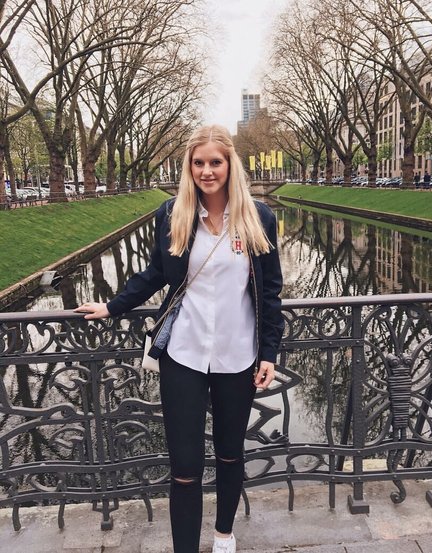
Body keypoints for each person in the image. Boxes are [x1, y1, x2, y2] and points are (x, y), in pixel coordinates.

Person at [75, 124, 284, 553]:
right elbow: (156, 272)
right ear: (189, 167)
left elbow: (270, 291)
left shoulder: (259, 217)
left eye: (215, 162)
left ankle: (224, 534)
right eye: (198, 163)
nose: (207, 171)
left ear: (230, 164)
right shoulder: (173, 214)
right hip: (184, 355)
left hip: (237, 355)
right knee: (185, 467)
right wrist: (113, 306)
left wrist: (268, 352)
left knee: (230, 454)